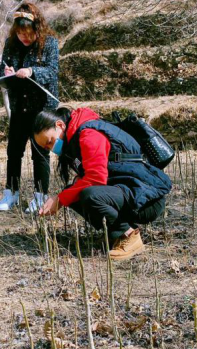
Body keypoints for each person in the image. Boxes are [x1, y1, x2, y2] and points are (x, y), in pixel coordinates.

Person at [32, 107, 171, 260]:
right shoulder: (75, 138)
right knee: (73, 192)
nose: (52, 149)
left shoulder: (88, 134)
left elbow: (96, 179)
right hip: (131, 191)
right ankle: (118, 232)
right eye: (47, 148)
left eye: (50, 142)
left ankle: (129, 236)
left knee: (88, 195)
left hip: (147, 200)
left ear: (59, 125)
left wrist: (59, 199)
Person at [0, 2, 59, 213]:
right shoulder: (10, 44)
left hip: (42, 108)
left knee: (40, 153)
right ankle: (10, 193)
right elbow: (1, 70)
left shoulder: (49, 43)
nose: (25, 38)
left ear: (37, 29)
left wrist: (31, 71)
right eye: (21, 33)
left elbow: (52, 72)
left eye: (29, 33)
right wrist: (6, 70)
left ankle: (40, 196)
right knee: (14, 151)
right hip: (19, 106)